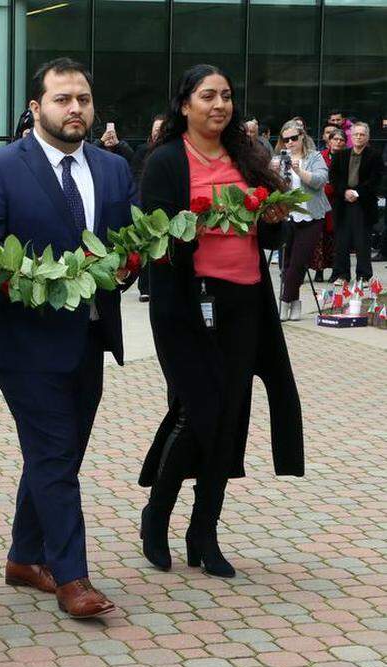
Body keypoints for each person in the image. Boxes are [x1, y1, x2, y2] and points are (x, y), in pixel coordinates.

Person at [0, 57, 135, 619]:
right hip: (23, 341)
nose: (76, 109)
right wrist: (33, 279)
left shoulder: (112, 170)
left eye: (83, 99)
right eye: (63, 99)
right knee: (55, 453)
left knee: (58, 454)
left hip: (88, 337)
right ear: (36, 107)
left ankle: (22, 556)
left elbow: (128, 241)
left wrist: (131, 265)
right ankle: (72, 577)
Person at [138, 64, 303, 579]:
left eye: (227, 96)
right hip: (188, 307)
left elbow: (266, 239)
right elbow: (158, 243)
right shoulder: (165, 161)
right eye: (208, 95)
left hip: (246, 304)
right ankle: (156, 517)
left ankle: (204, 530)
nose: (219, 105)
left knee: (230, 416)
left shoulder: (249, 157)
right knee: (197, 413)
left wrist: (271, 222)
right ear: (184, 104)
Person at [273, 120, 330, 321]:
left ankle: (284, 302)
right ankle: (295, 304)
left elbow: (320, 181)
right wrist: (272, 172)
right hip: (288, 216)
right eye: (285, 139)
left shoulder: (313, 157)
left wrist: (299, 171)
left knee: (298, 263)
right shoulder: (279, 159)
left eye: (293, 138)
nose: (289, 142)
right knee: (286, 264)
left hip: (311, 217)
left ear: (302, 137)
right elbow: (274, 188)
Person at [328, 122, 382, 285]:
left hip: (363, 203)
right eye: (356, 134)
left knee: (362, 241)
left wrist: (357, 192)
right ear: (351, 136)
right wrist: (345, 192)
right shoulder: (341, 155)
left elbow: (376, 179)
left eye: (362, 134)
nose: (358, 137)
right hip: (343, 202)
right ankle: (342, 275)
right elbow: (334, 178)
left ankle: (363, 276)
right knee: (341, 240)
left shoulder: (374, 156)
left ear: (367, 137)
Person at [132, 114, 166, 301]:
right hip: (146, 203)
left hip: (166, 207)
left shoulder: (174, 152)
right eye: (155, 130)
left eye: (161, 130)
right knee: (146, 246)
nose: (157, 133)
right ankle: (145, 287)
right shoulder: (142, 150)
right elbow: (135, 174)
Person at [315, 127, 344, 282]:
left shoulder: (346, 157)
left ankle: (336, 271)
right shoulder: (320, 156)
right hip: (320, 202)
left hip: (337, 203)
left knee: (336, 239)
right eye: (335, 139)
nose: (338, 142)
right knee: (320, 238)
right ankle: (318, 271)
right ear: (329, 141)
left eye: (341, 140)